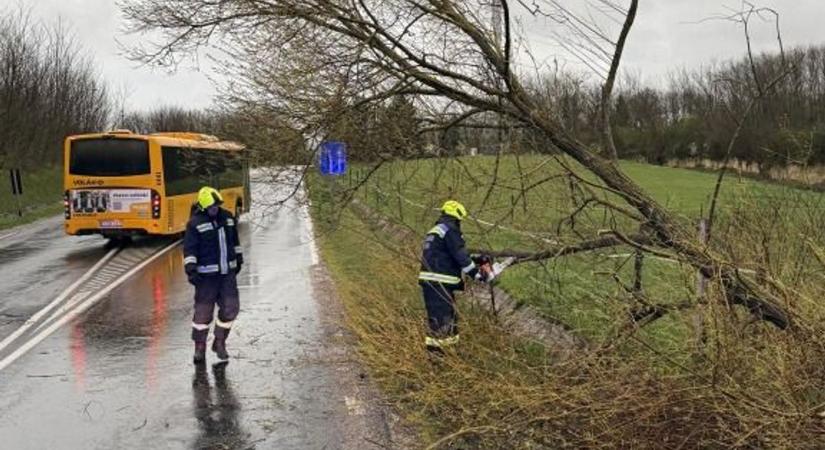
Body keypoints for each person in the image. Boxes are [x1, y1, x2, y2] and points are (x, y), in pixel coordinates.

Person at [418, 200, 493, 354]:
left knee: (448, 319)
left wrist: (478, 259)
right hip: (439, 282)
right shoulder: (451, 230)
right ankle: (437, 359)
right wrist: (478, 275)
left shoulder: (437, 230)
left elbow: (451, 254)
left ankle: (450, 353)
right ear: (457, 218)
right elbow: (460, 256)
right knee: (441, 322)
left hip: (435, 282)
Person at [183, 186, 244, 364]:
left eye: (217, 206)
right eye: (211, 207)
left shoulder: (228, 218)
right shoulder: (195, 223)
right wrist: (191, 270)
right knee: (202, 314)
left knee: (231, 308)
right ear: (203, 207)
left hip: (227, 276)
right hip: (205, 278)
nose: (215, 209)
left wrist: (238, 259)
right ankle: (199, 348)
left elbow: (235, 242)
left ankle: (220, 342)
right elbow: (190, 249)